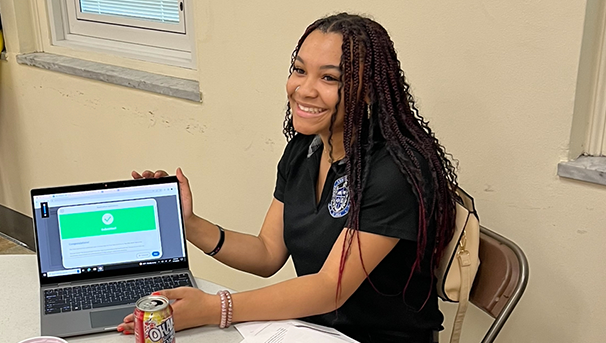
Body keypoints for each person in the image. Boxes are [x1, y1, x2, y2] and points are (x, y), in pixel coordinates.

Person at [118, 13, 458, 343]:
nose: (304, 89)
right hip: (308, 330)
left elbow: (330, 288)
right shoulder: (304, 151)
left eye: (329, 78)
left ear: (368, 91)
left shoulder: (394, 171)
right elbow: (267, 253)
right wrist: (188, 223)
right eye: (299, 70)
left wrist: (216, 307)